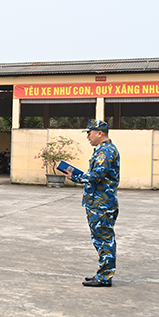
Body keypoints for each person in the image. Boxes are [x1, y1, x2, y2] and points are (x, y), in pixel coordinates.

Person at [60, 119, 120, 288]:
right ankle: (103, 273)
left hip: (102, 204)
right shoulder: (102, 150)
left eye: (89, 133)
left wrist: (75, 177)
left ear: (99, 133)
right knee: (100, 240)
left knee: (105, 240)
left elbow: (96, 176)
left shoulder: (106, 152)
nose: (88, 136)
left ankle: (105, 277)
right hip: (97, 203)